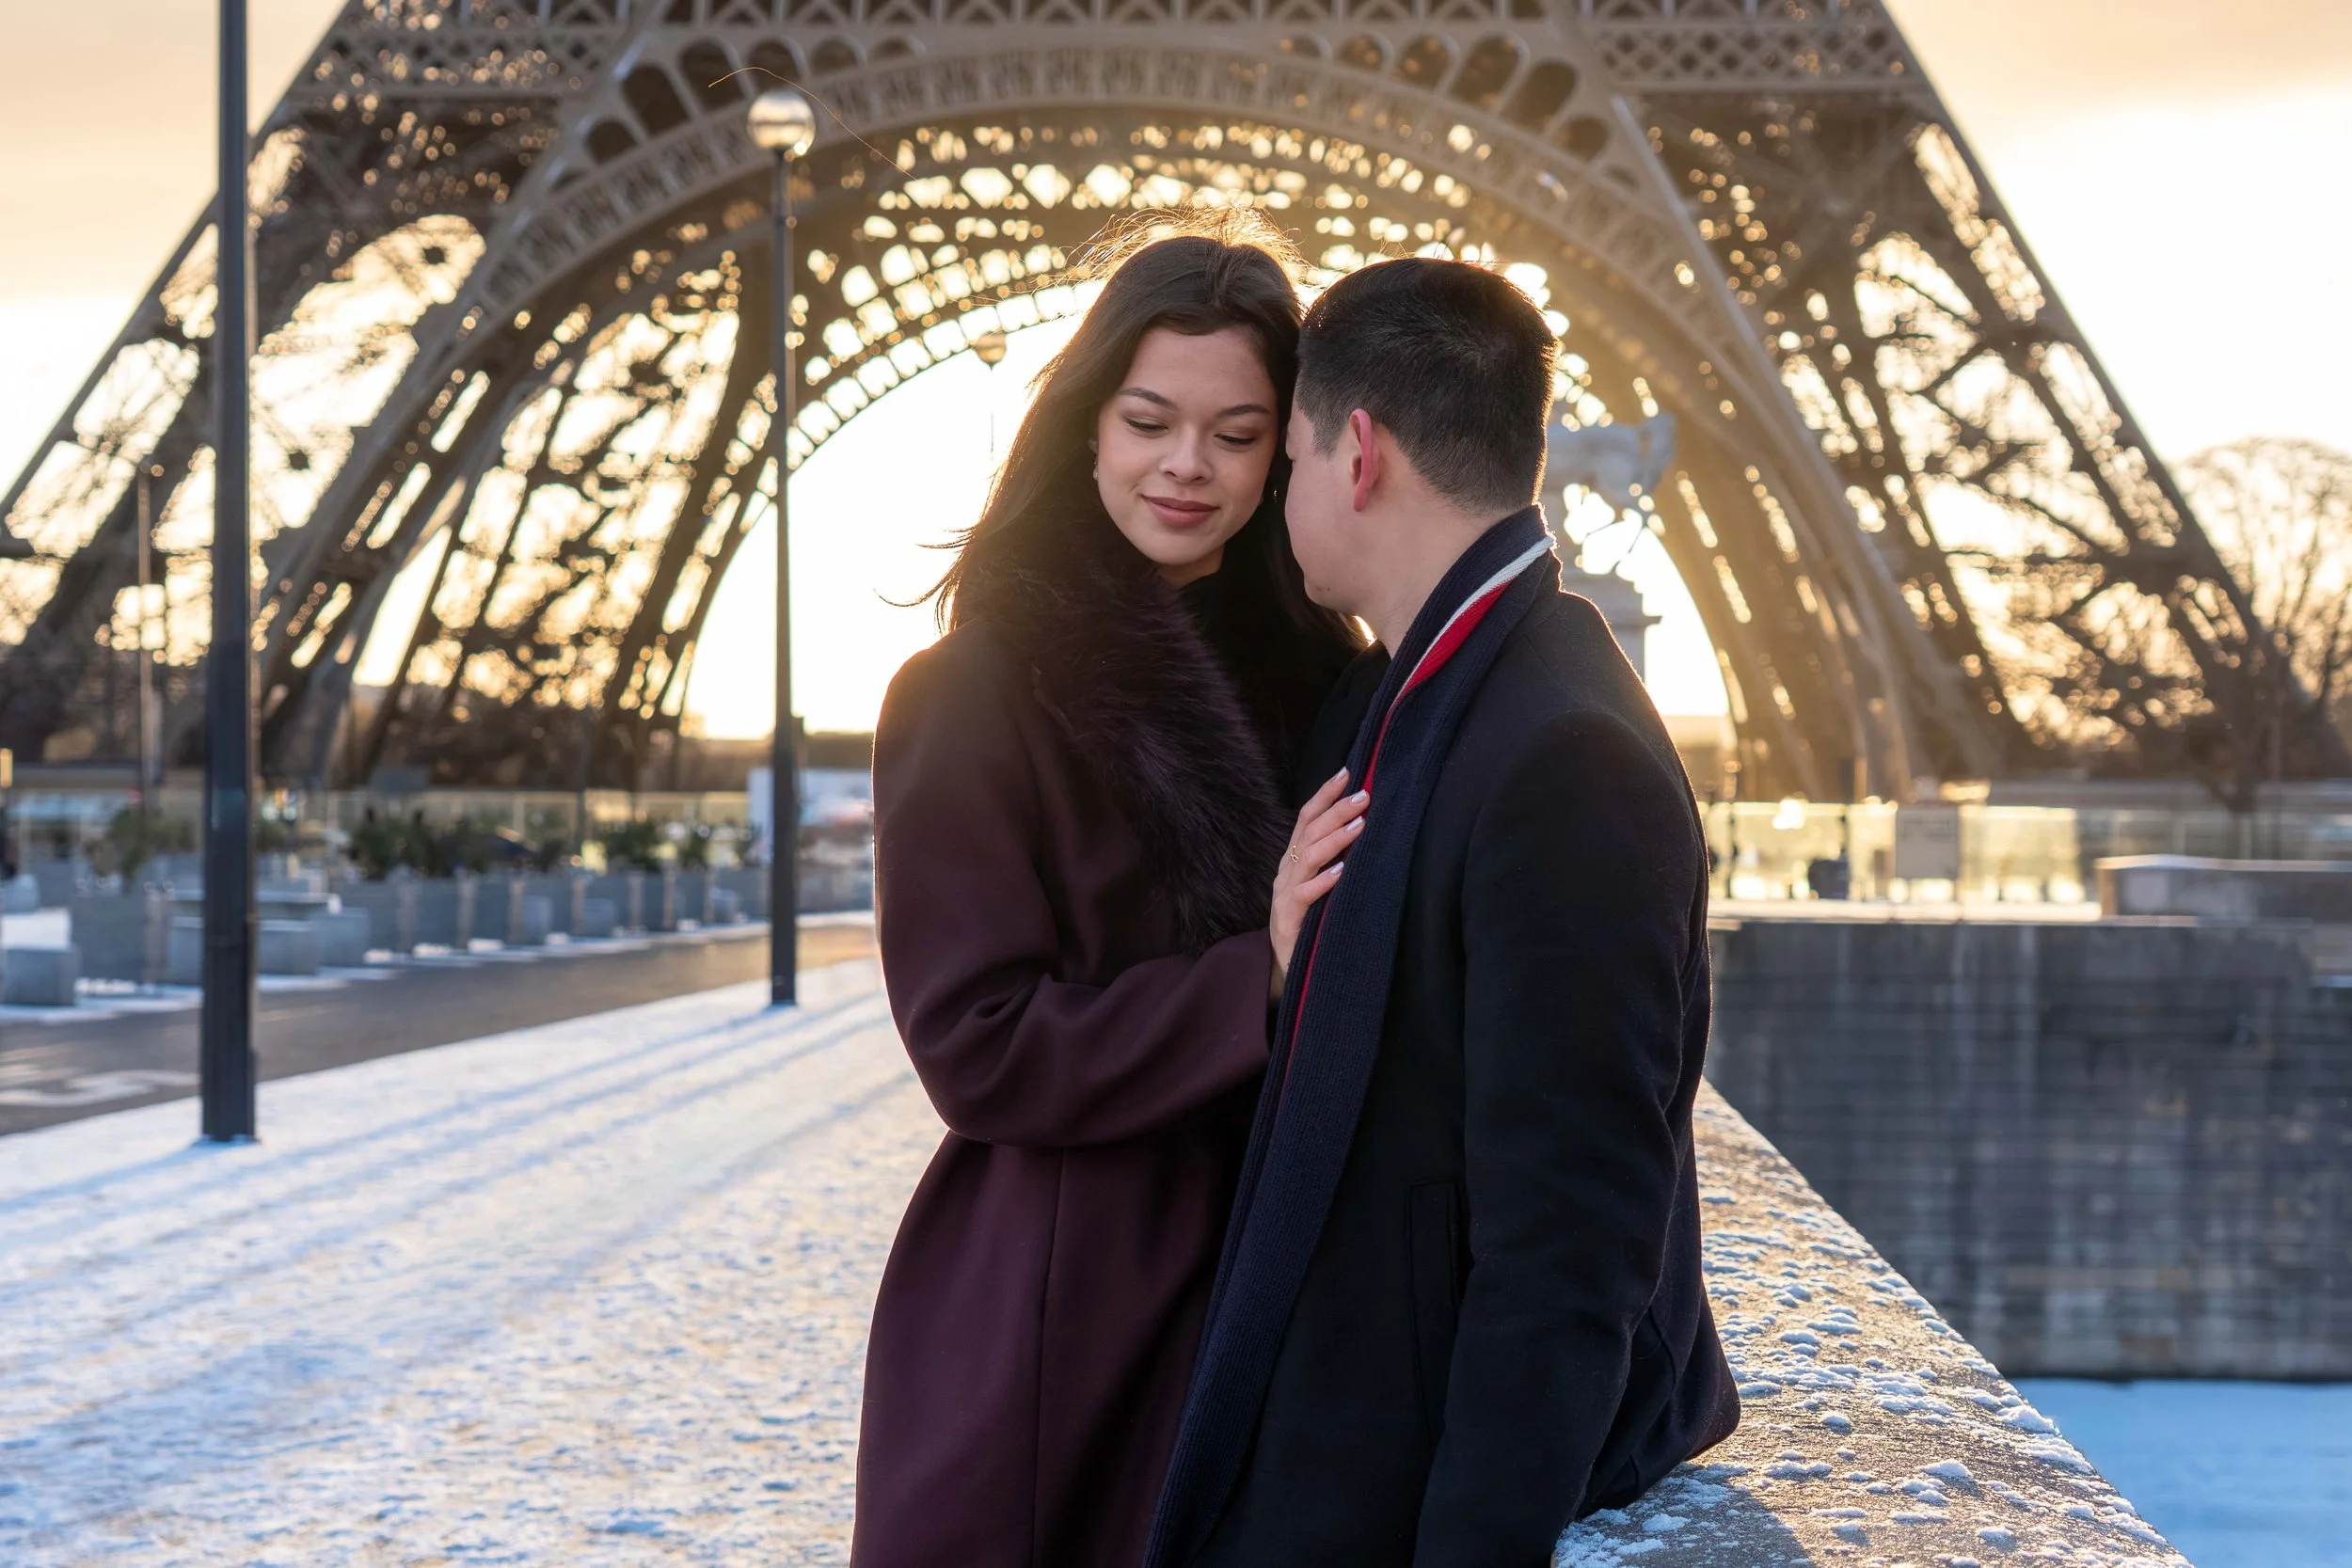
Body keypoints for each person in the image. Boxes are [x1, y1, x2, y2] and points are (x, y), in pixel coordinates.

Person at [1146, 258, 1741, 1567]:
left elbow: (1568, 1246)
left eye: (1285, 455)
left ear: (1356, 454)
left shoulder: (1560, 757)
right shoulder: (1415, 697)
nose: (1271, 500)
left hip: (1391, 1491)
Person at [853, 215, 1365, 1568]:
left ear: (1290, 455)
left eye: (1238, 432)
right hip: (1068, 1310)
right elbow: (978, 1045)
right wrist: (1249, 971)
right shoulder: (967, 693)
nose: (1186, 465)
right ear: (1087, 424)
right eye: (1149, 419)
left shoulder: (1331, 687)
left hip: (1286, 1285)